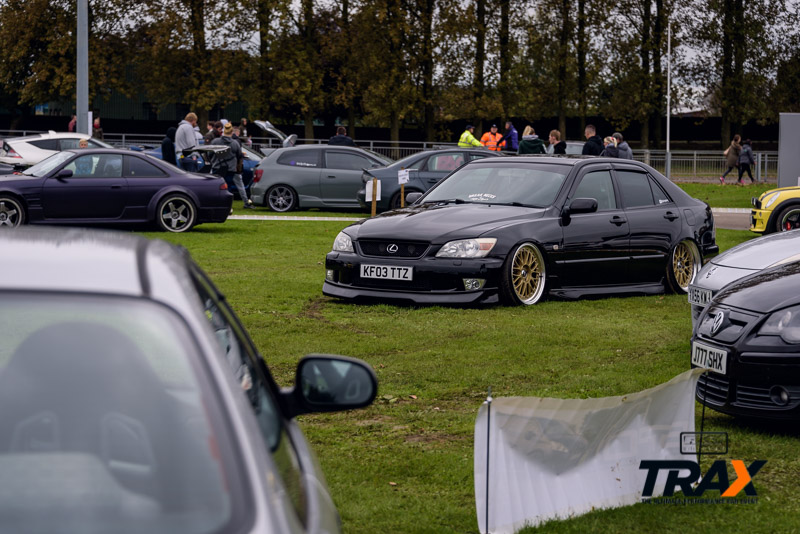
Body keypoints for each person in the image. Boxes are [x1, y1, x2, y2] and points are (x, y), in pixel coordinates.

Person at [212, 122, 253, 209]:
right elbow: (239, 155)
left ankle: (217, 204)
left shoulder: (215, 141)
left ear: (223, 132)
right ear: (231, 132)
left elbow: (210, 154)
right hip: (230, 168)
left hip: (217, 167)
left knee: (216, 187)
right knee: (228, 187)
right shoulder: (235, 143)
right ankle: (227, 205)